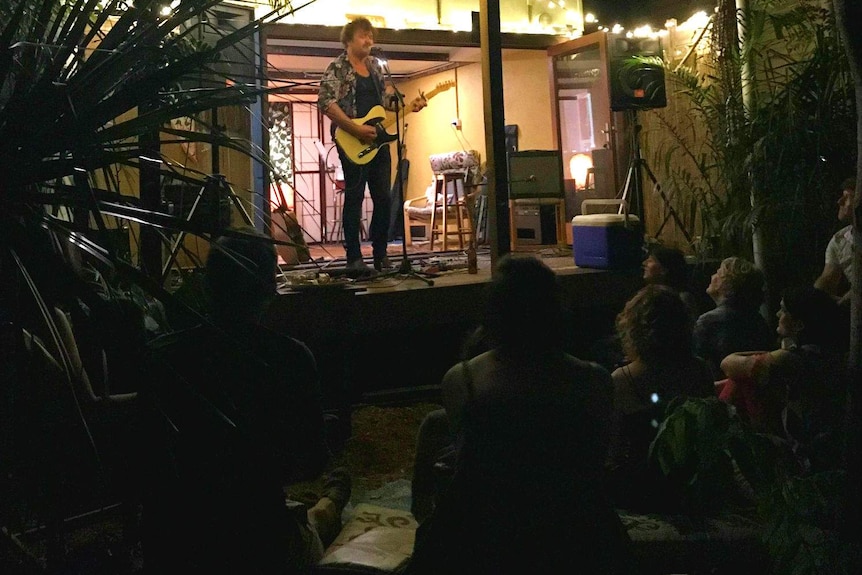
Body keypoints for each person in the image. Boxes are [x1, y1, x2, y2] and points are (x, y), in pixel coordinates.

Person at [407, 255, 632, 574]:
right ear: (555, 311)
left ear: (493, 314)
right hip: (575, 534)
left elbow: (467, 464)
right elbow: (599, 462)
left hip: (481, 534)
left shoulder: (462, 379)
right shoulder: (594, 381)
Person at [141, 230, 349, 572]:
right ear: (269, 290)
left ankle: (325, 507)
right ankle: (328, 507)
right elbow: (309, 462)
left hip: (173, 543)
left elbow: (146, 458)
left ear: (207, 287)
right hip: (259, 542)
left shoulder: (160, 358)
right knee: (311, 535)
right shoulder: (289, 359)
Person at [318, 17, 426, 273]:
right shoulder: (337, 68)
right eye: (363, 35)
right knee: (354, 198)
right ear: (348, 39)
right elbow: (325, 102)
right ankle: (354, 257)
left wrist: (408, 105)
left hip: (378, 142)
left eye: (371, 36)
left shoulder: (376, 69)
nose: (368, 40)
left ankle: (380, 254)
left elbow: (387, 102)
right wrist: (354, 127)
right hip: (350, 139)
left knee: (384, 198)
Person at [606, 285, 715, 511]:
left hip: (641, 485)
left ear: (634, 328)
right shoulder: (700, 370)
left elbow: (612, 446)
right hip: (689, 480)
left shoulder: (622, 379)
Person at [719, 286, 845, 461]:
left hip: (810, 454)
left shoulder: (798, 359)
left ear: (799, 324)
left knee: (740, 382)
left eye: (783, 310)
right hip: (821, 446)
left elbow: (729, 364)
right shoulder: (826, 353)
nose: (778, 314)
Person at [693, 256, 774, 379]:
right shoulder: (758, 320)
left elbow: (698, 362)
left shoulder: (708, 322)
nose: (712, 276)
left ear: (726, 284)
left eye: (718, 273)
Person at [814, 178, 856, 307]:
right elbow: (828, 279)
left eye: (848, 197)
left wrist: (844, 302)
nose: (840, 201)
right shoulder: (839, 240)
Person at [642, 245, 702, 323]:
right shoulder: (647, 294)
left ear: (664, 269)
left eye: (650, 261)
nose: (644, 263)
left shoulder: (682, 298)